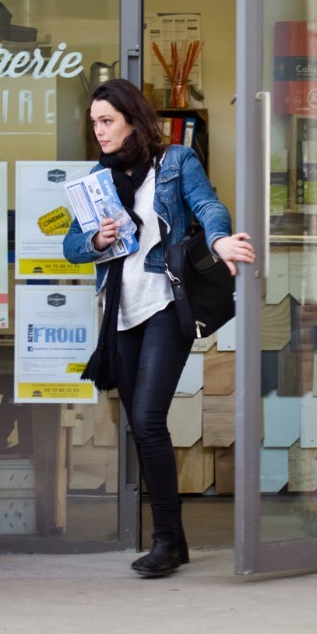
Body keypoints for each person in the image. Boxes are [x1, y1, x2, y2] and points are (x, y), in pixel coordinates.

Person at [63, 80, 255, 578]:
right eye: (94, 124)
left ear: (132, 118)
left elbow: (209, 206)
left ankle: (167, 541)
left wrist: (219, 240)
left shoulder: (174, 163)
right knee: (143, 427)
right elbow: (71, 246)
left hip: (165, 305)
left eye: (107, 121)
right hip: (120, 314)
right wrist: (95, 238)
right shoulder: (96, 179)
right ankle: (176, 540)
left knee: (147, 418)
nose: (99, 132)